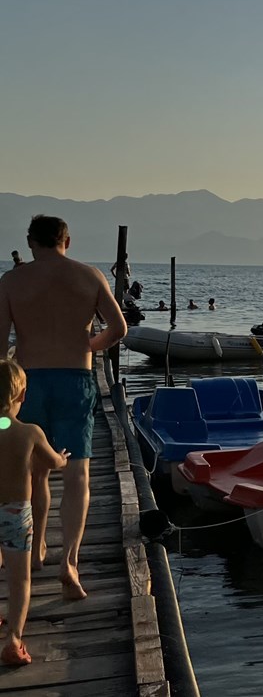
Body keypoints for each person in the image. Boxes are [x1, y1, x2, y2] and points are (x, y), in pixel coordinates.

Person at [0, 215, 127, 600]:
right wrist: (87, 346)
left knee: (35, 470)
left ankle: (36, 547)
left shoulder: (12, 281)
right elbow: (119, 329)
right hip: (75, 378)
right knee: (78, 473)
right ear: (66, 242)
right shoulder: (88, 276)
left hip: (28, 382)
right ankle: (69, 561)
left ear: (31, 242)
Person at [0, 358, 69, 666]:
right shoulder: (28, 432)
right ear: (22, 395)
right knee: (19, 579)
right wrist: (64, 459)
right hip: (15, 513)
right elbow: (53, 462)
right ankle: (14, 637)